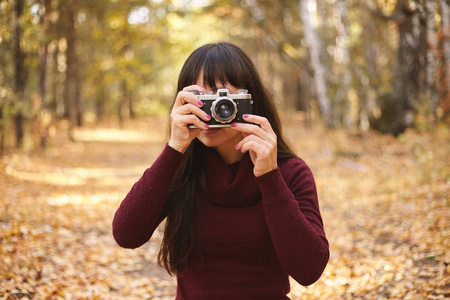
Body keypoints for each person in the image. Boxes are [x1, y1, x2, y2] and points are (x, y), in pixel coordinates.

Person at [112, 42, 329, 299]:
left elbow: (309, 270)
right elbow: (126, 234)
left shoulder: (290, 173)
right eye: (199, 99)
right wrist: (174, 149)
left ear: (249, 101)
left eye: (221, 98)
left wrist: (270, 177)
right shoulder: (180, 167)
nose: (210, 111)